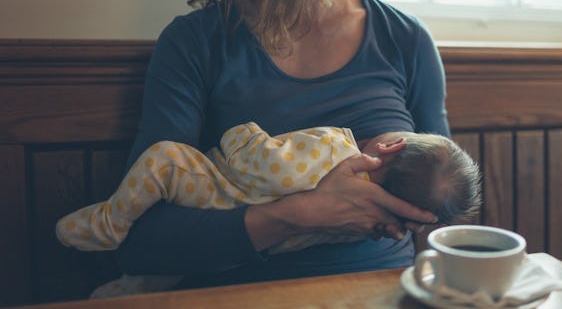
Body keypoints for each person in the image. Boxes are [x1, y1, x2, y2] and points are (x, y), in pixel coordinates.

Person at [111, 0, 451, 292]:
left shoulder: (406, 39)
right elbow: (142, 242)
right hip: (244, 295)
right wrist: (300, 215)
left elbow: (442, 206)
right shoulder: (195, 42)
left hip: (383, 292)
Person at [56, 122, 481, 254]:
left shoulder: (335, 147)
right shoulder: (366, 223)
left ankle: (108, 224)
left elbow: (255, 163)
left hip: (214, 192)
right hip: (253, 254)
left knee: (165, 158)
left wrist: (242, 132)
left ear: (391, 146)